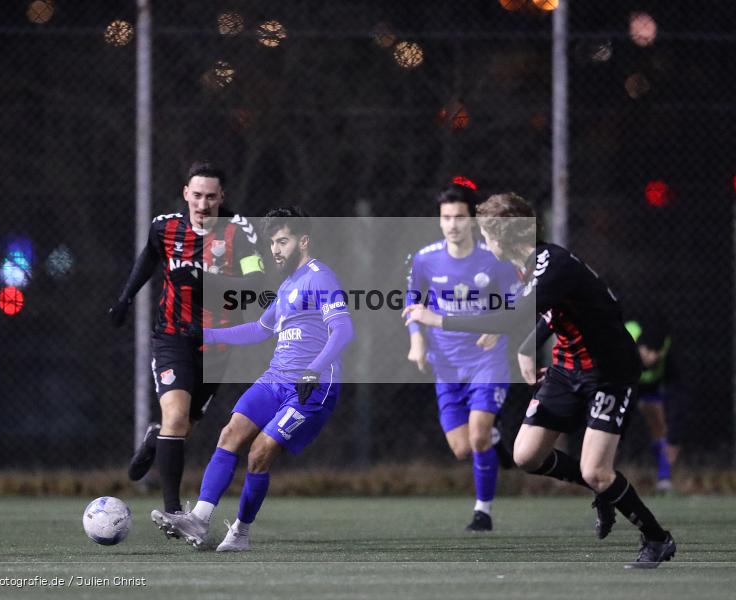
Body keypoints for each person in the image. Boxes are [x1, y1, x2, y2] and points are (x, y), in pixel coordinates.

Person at [404, 192, 676, 568]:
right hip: (567, 369)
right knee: (526, 456)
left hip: (609, 373)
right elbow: (552, 314)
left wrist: (437, 319)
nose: (484, 241)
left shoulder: (552, 265)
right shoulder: (527, 267)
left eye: (487, 234)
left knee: (596, 470)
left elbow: (510, 318)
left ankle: (657, 538)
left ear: (505, 236)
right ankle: (603, 491)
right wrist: (528, 347)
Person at [152, 206, 354, 552]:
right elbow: (260, 329)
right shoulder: (288, 284)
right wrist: (206, 334)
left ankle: (241, 532)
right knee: (230, 433)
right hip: (275, 380)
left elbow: (343, 330)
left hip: (311, 388)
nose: (275, 250)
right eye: (272, 243)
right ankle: (199, 519)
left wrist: (314, 368)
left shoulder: (320, 278)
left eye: (283, 241)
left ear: (303, 241)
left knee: (259, 452)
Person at [108, 161, 264, 516]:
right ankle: (173, 511)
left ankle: (156, 438)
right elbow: (149, 257)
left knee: (183, 426)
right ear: (185, 194)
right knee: (177, 418)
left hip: (217, 343)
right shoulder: (165, 228)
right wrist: (125, 299)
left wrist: (204, 280)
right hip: (172, 336)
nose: (203, 204)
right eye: (197, 195)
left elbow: (255, 286)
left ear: (222, 197)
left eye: (210, 197)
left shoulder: (239, 232)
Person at [405, 178, 517, 531]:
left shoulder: (494, 260)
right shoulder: (425, 260)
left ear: (472, 220)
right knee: (462, 448)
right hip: (446, 365)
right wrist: (416, 340)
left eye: (459, 217)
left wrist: (498, 327)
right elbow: (412, 303)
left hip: (487, 360)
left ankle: (483, 511)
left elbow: (515, 303)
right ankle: (495, 438)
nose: (452, 224)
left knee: (478, 436)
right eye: (446, 218)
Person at [625, 316, 681, 493]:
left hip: (649, 388)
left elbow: (678, 393)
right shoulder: (625, 337)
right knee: (609, 424)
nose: (652, 356)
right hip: (622, 384)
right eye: (648, 350)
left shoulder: (667, 349)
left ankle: (664, 478)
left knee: (659, 425)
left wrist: (674, 438)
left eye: (657, 352)